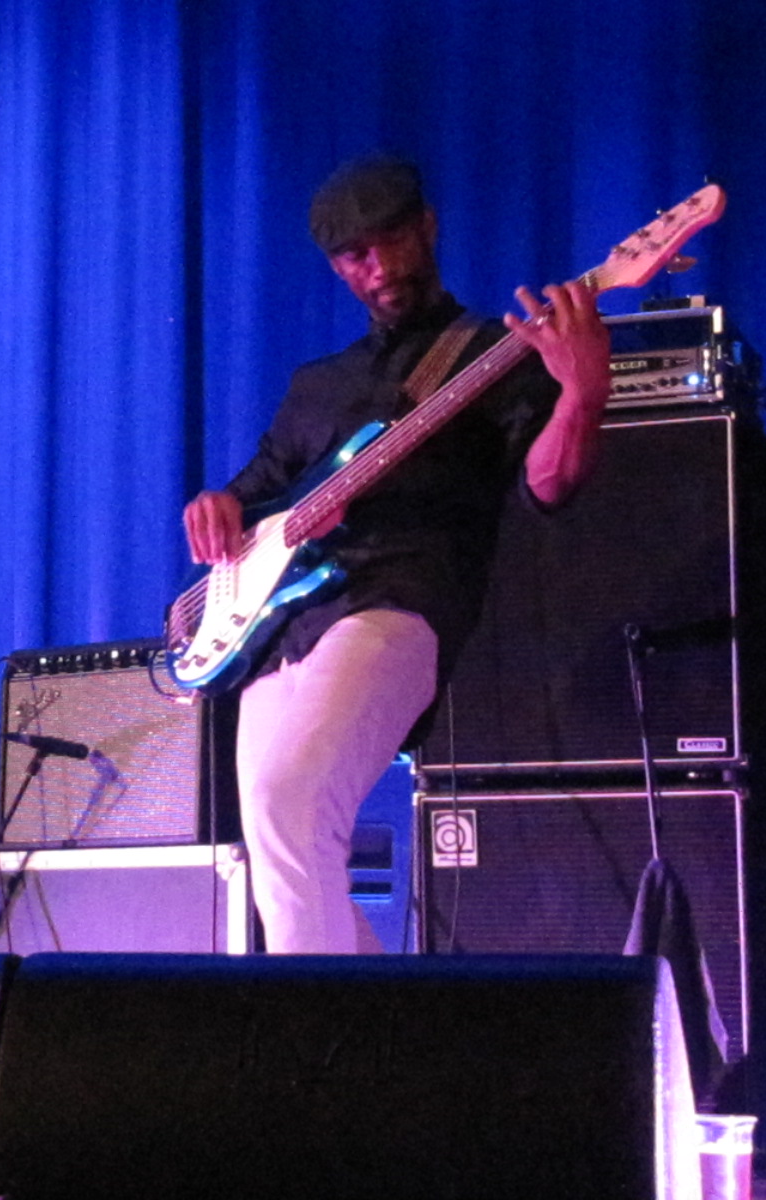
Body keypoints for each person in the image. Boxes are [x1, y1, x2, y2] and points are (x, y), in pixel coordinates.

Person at [182, 156, 612, 954]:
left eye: (390, 242)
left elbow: (549, 487)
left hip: (396, 604)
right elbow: (253, 491)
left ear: (427, 228)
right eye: (353, 257)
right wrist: (219, 505)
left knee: (291, 804)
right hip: (284, 626)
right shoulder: (319, 383)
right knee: (287, 861)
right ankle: (377, 1043)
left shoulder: (492, 352)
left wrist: (582, 394)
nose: (376, 268)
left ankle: (310, 1064)